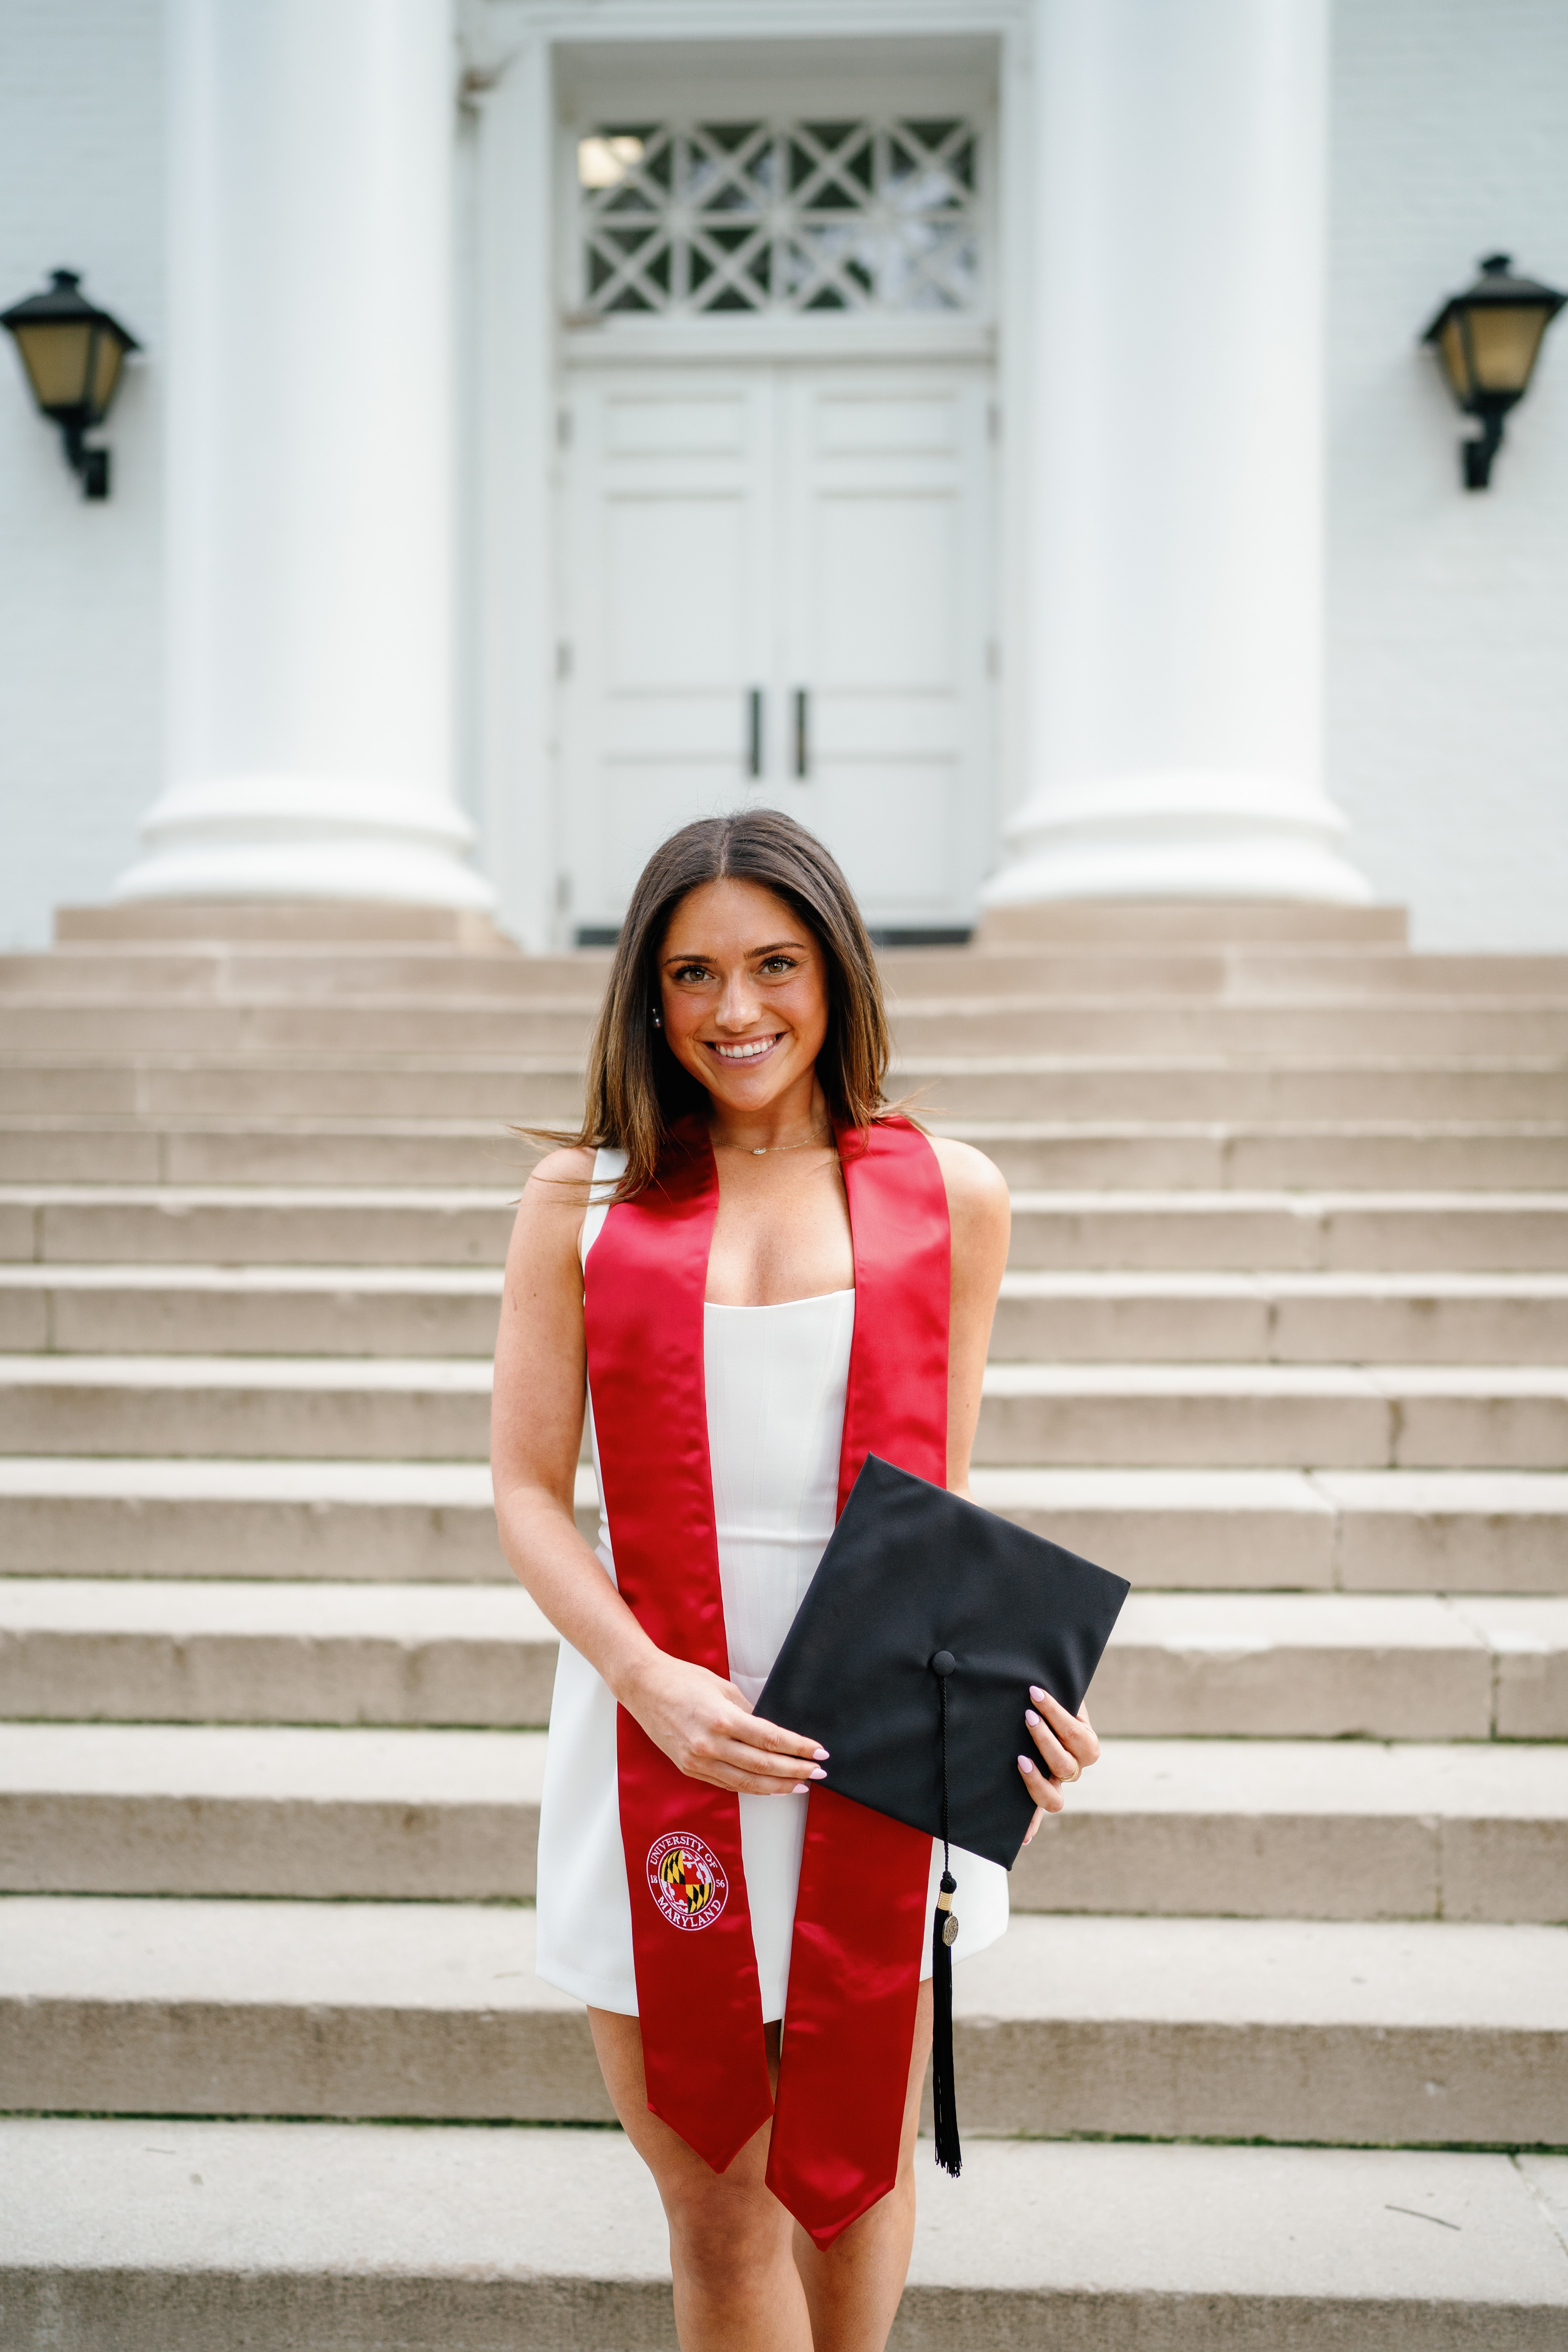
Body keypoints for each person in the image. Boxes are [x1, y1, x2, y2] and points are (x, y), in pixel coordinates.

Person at [491, 811, 1100, 2352]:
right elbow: (523, 1493)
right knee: (713, 2194)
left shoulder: (949, 1191)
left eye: (775, 964)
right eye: (692, 974)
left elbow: (937, 1502)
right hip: (657, 1717)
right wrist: (648, 1680)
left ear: (835, 970)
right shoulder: (586, 1199)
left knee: (849, 2166)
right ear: (646, 992)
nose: (736, 1010)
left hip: (876, 1730)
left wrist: (1023, 1698)